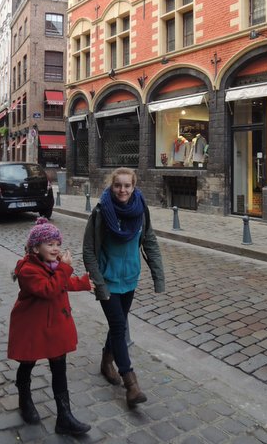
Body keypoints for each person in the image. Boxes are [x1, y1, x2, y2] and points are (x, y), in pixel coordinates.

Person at [83, 167, 165, 408]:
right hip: (107, 280)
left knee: (117, 325)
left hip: (130, 278)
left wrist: (158, 277)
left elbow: (149, 241)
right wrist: (98, 283)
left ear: (134, 186)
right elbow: (88, 250)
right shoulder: (100, 212)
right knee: (119, 326)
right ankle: (131, 383)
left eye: (127, 186)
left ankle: (106, 361)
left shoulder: (140, 211)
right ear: (112, 186)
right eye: (118, 185)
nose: (122, 190)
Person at [8, 217, 93, 435]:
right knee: (27, 363)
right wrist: (65, 268)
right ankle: (24, 397)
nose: (56, 249)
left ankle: (64, 416)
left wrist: (82, 283)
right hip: (32, 326)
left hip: (55, 325)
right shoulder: (27, 270)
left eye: (57, 244)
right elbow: (48, 288)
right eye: (50, 244)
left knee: (59, 368)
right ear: (36, 247)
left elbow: (62, 282)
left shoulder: (54, 266)